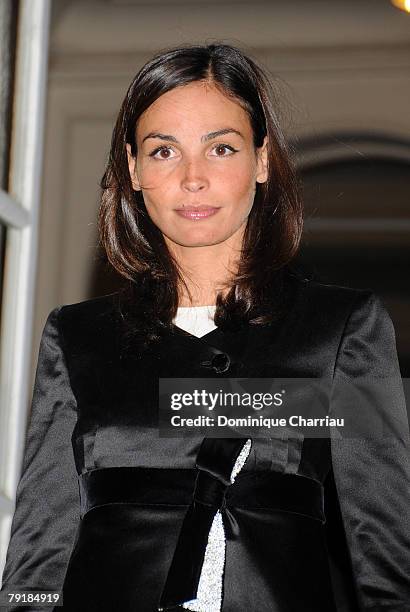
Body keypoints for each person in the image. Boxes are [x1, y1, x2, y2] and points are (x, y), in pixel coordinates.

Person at [1, 42, 409, 612]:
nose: (194, 178)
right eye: (164, 151)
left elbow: (386, 550)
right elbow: (37, 558)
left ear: (262, 161)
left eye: (221, 148)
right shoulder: (79, 337)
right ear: (134, 170)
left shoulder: (338, 328)